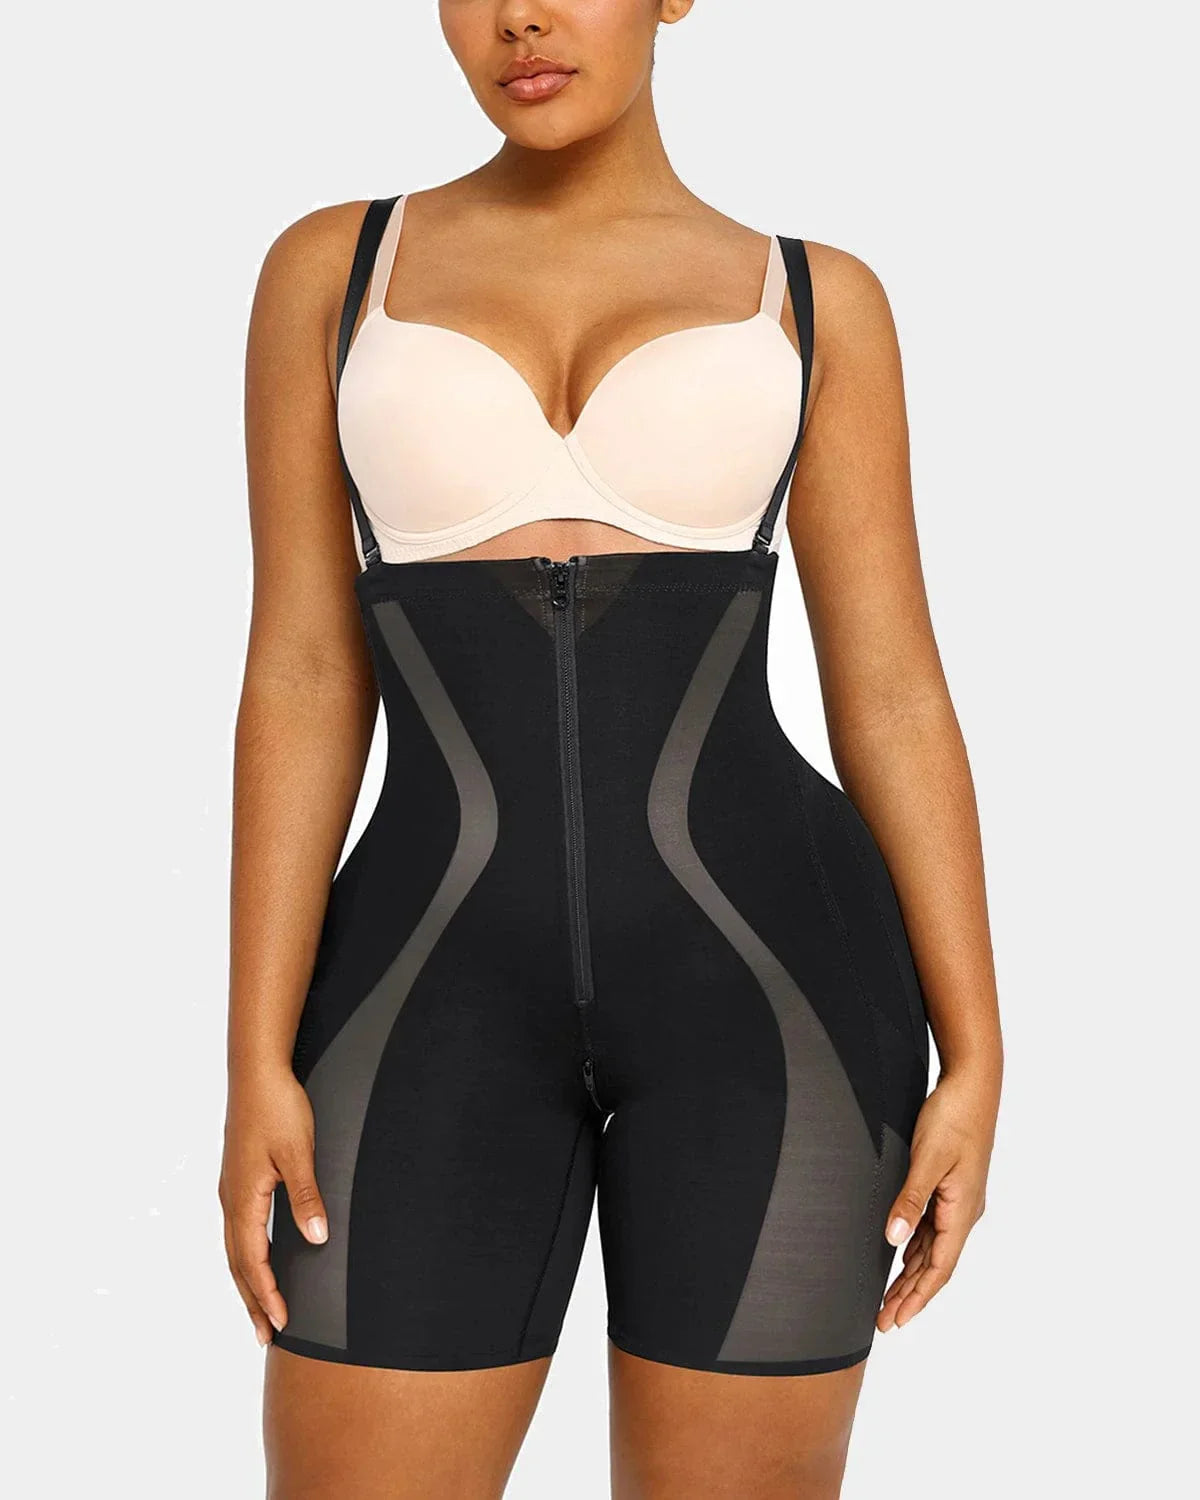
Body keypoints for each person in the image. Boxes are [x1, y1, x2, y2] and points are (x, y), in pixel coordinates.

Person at [220, 2, 1003, 1495]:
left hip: (775, 1004)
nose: (521, 15)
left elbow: (894, 689)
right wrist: (254, 1052)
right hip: (420, 993)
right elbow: (306, 670)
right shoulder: (334, 270)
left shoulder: (814, 299)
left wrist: (978, 1049)